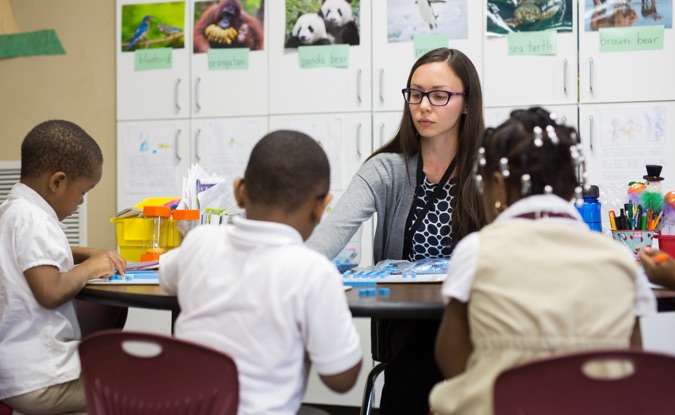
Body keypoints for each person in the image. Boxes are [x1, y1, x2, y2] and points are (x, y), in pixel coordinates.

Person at [429, 107, 657, 415]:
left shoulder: (478, 250)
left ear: (497, 184)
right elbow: (633, 361)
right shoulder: (618, 258)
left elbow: (452, 358)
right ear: (571, 186)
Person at [306, 47, 486, 415]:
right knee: (418, 363)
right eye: (415, 94)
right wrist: (277, 265)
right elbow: (331, 234)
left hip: (479, 312)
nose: (423, 106)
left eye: (439, 96)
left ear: (467, 104)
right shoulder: (386, 169)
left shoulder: (488, 170)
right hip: (411, 319)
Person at [159, 130, 363, 415]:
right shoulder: (314, 273)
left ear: (239, 191)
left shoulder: (200, 242)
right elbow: (341, 379)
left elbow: (166, 278)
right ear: (321, 207)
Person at [0, 120, 127, 413]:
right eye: (83, 191)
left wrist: (87, 254)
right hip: (40, 379)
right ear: (57, 182)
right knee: (129, 383)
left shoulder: (13, 211)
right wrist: (92, 268)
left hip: (16, 370)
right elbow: (49, 290)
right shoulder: (35, 220)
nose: (82, 201)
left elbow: (34, 256)